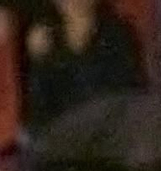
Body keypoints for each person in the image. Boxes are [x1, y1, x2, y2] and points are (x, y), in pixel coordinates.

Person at [24, 0, 145, 129]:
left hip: (111, 132)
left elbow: (131, 95)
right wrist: (36, 59)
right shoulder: (44, 40)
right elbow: (38, 112)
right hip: (62, 138)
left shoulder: (118, 34)